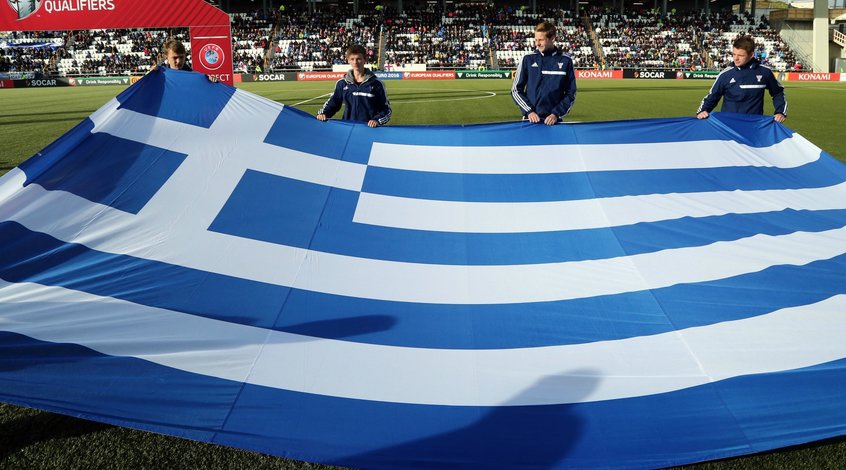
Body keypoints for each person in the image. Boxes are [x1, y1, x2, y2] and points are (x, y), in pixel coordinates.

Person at [696, 36, 786, 123]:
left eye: (740, 55)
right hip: (729, 126)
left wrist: (780, 112)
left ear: (751, 55)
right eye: (734, 54)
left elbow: (778, 92)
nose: (736, 58)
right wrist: (703, 110)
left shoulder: (765, 72)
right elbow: (712, 97)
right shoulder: (725, 74)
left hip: (754, 126)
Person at [511, 21, 577, 126]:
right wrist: (529, 111)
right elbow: (515, 90)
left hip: (554, 122)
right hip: (530, 121)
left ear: (552, 39)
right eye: (536, 40)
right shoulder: (527, 59)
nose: (537, 44)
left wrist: (555, 114)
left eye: (541, 40)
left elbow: (571, 93)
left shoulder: (566, 61)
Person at [317, 44, 392, 128]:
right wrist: (324, 113)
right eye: (352, 59)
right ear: (348, 60)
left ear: (365, 59)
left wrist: (377, 120)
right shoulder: (342, 83)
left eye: (358, 59)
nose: (355, 62)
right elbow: (333, 103)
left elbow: (386, 110)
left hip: (369, 130)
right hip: (348, 129)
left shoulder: (376, 84)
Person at [150, 39, 218, 82]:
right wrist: (151, 75)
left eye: (181, 57)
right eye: (175, 58)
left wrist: (208, 82)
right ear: (166, 58)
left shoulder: (194, 77)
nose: (179, 61)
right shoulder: (160, 74)